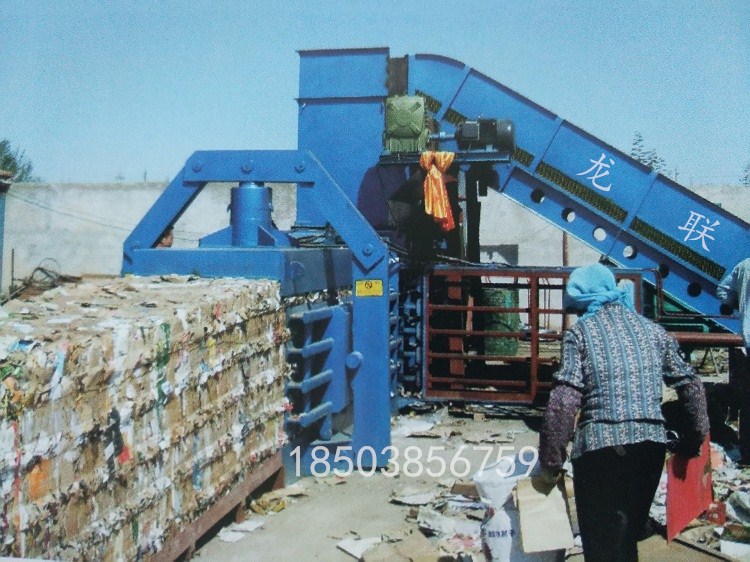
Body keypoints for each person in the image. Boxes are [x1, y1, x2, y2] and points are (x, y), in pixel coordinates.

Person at [538, 263, 709, 562]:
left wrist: (552, 458)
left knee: (603, 541)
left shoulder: (579, 334)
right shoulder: (654, 332)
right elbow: (691, 385)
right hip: (649, 449)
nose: (577, 314)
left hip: (599, 451)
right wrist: (692, 441)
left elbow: (564, 399)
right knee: (628, 537)